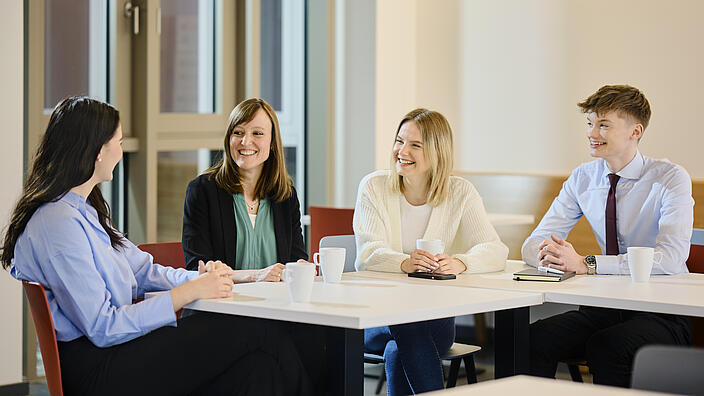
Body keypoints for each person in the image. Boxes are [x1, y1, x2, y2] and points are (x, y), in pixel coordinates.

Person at [1, 97, 310, 396]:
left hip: (120, 353)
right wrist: (185, 294)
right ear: (96, 151)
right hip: (100, 369)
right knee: (254, 328)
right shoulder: (58, 224)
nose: (122, 152)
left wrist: (201, 281)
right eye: (119, 143)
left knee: (259, 369)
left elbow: (144, 271)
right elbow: (103, 327)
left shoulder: (84, 212)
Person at [522, 85, 693, 387]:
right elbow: (533, 243)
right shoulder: (583, 177)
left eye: (603, 125)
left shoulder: (670, 177)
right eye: (589, 123)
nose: (592, 133)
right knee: (530, 339)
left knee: (609, 346)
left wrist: (587, 263)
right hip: (604, 309)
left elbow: (672, 258)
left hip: (661, 313)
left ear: (635, 131)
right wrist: (550, 254)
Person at [354, 108, 508, 395]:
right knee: (404, 329)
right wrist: (404, 262)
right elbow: (366, 254)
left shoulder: (460, 192)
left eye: (415, 145)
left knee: (399, 347)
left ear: (437, 152)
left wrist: (461, 263)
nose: (402, 151)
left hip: (435, 320)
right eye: (399, 141)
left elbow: (494, 249)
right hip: (377, 317)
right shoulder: (374, 187)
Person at [182, 98, 306, 280]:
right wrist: (254, 275)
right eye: (238, 132)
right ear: (229, 139)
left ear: (272, 142)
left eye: (257, 133)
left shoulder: (285, 196)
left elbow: (296, 260)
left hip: (276, 304)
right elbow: (197, 269)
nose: (246, 141)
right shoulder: (202, 191)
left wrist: (300, 267)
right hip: (220, 305)